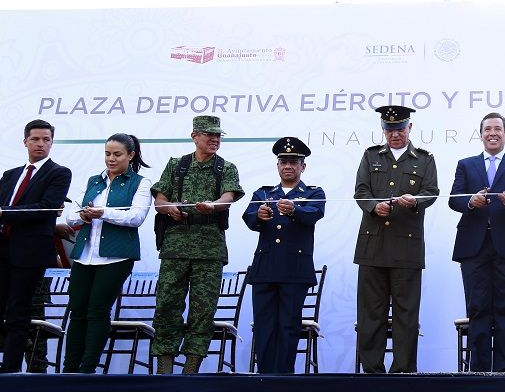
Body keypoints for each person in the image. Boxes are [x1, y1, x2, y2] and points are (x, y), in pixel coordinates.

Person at [151, 115, 244, 374]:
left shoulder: (226, 167)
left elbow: (228, 197)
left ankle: (191, 371)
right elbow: (160, 199)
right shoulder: (176, 165)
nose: (214, 139)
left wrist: (213, 206)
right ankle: (164, 369)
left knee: (203, 311)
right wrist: (171, 209)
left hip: (209, 249)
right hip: (175, 248)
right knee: (167, 304)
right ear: (195, 136)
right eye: (208, 135)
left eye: (217, 136)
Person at [353, 105, 439, 373]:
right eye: (389, 130)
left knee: (406, 315)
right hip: (372, 246)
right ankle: (372, 372)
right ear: (383, 130)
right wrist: (373, 206)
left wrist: (415, 201)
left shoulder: (424, 159)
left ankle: (403, 372)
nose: (395, 135)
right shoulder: (370, 156)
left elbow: (432, 191)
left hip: (407, 247)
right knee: (371, 314)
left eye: (400, 129)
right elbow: (361, 190)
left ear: (409, 128)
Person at [449, 113, 505, 372]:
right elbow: (454, 199)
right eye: (488, 129)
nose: (493, 133)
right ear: (481, 134)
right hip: (473, 246)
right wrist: (470, 202)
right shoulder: (466, 164)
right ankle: (480, 372)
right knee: (478, 309)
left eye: (498, 129)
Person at [63, 133, 152, 373]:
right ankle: (69, 369)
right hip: (84, 254)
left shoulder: (141, 183)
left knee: (98, 310)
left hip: (117, 256)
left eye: (117, 154)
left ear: (130, 155)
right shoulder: (93, 180)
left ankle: (88, 368)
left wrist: (103, 212)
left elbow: (136, 217)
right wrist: (82, 215)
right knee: (77, 309)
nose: (111, 159)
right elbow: (70, 215)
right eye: (107, 153)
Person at [242, 137, 326, 374]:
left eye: (293, 162)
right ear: (277, 166)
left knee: (288, 326)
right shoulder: (264, 192)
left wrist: (295, 210)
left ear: (303, 166)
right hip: (265, 268)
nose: (288, 166)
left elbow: (313, 214)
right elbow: (248, 218)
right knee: (264, 325)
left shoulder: (313, 192)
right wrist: (259, 214)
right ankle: (265, 376)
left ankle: (284, 377)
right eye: (283, 162)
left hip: (294, 271)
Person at [0, 119, 72, 373]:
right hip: (3, 249)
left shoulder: (59, 173)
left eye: (46, 139)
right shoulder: (10, 175)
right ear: (25, 142)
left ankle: (9, 372)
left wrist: (4, 212)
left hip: (29, 253)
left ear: (52, 142)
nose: (41, 144)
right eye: (35, 139)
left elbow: (45, 208)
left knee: (18, 313)